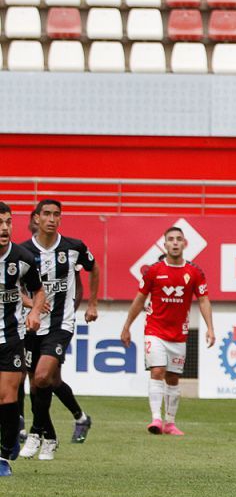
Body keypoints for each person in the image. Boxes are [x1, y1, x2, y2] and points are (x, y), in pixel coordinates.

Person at [19, 200, 100, 460]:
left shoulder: (73, 247)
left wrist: (93, 303)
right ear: (36, 218)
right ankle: (51, 437)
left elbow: (94, 267)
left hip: (61, 325)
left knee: (42, 377)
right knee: (42, 383)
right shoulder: (22, 252)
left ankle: (34, 432)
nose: (52, 219)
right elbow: (14, 285)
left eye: (57, 214)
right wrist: (30, 303)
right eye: (47, 214)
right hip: (30, 326)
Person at [120, 226, 215, 436]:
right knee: (157, 371)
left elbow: (204, 300)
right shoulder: (153, 271)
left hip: (178, 334)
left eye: (178, 239)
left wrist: (210, 327)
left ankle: (170, 423)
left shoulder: (194, 272)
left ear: (184, 244)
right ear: (164, 244)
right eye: (170, 239)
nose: (174, 242)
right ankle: (155, 419)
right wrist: (127, 326)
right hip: (155, 331)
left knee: (173, 378)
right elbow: (139, 300)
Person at [0, 203, 46, 476]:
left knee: (7, 395)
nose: (4, 228)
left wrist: (36, 310)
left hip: (11, 336)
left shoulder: (23, 257)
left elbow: (38, 291)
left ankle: (3, 456)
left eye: (7, 222)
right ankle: (13, 426)